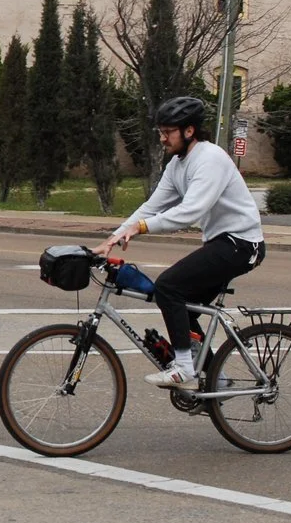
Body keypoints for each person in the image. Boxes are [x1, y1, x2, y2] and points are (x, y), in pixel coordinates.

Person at [93, 96, 265, 389]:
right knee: (182, 306)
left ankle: (184, 366)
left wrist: (140, 229)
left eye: (167, 132)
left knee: (169, 286)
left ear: (189, 131)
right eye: (160, 132)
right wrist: (113, 237)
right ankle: (216, 381)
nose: (162, 138)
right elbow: (152, 206)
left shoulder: (211, 158)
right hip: (221, 243)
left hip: (242, 243)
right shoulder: (177, 165)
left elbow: (191, 211)